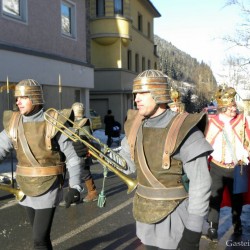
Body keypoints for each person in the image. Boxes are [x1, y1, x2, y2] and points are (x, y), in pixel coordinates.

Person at [74, 69, 213, 249]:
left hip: (176, 220)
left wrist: (193, 232)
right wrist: (95, 150)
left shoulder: (186, 129)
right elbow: (126, 163)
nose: (136, 98)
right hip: (145, 215)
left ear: (159, 93)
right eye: (136, 93)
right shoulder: (136, 125)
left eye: (143, 93)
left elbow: (201, 184)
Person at [0, 79, 84, 249]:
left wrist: (75, 186)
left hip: (49, 185)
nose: (18, 101)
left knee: (38, 238)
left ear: (35, 98)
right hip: (25, 184)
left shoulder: (53, 121)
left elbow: (72, 158)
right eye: (17, 98)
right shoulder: (14, 122)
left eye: (23, 97)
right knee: (42, 238)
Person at [204, 86, 250, 241]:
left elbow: (247, 142)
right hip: (217, 167)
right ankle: (212, 228)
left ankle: (237, 226)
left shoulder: (241, 121)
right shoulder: (212, 123)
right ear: (223, 108)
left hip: (237, 168)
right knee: (214, 198)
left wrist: (245, 153)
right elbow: (206, 143)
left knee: (237, 199)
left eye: (234, 106)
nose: (234, 109)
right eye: (231, 107)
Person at [71, 102, 98, 202]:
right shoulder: (76, 122)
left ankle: (92, 192)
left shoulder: (83, 122)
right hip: (75, 151)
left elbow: (86, 139)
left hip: (83, 152)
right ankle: (74, 195)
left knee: (84, 173)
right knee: (74, 173)